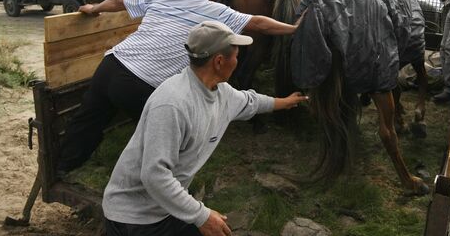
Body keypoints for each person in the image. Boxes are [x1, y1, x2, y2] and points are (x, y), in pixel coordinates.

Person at [57, 0, 300, 175]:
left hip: (111, 65)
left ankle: (64, 166)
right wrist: (294, 28)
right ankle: (160, 185)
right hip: (141, 84)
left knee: (86, 120)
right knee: (163, 139)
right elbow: (258, 23)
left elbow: (120, 1)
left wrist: (93, 8)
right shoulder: (213, 11)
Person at [102, 21, 308, 236]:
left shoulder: (220, 92)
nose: (238, 61)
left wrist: (284, 102)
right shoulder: (173, 103)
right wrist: (201, 215)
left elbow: (250, 101)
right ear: (219, 62)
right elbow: (154, 175)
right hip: (134, 217)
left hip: (166, 205)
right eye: (236, 56)